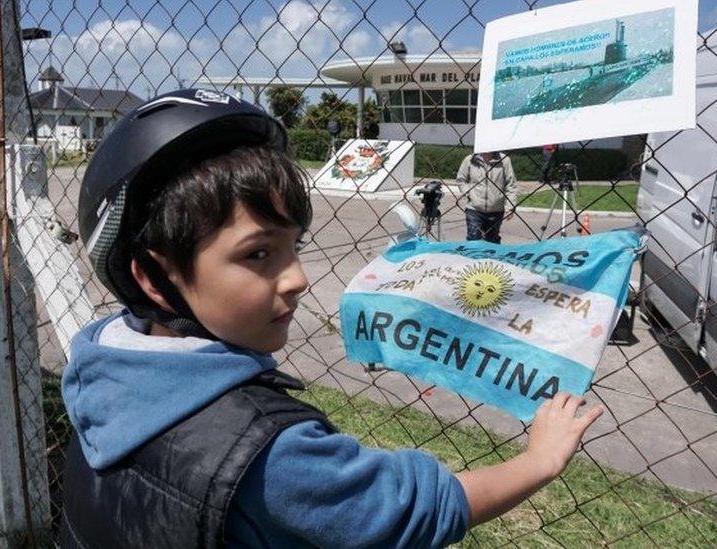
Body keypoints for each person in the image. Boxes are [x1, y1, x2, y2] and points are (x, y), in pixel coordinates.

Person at [61, 89, 603, 548]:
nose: (297, 278)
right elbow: (406, 511)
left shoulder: (99, 366)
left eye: (295, 247)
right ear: (155, 278)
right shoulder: (270, 454)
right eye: (257, 254)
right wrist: (539, 461)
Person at [457, 150, 518, 243]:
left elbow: (511, 185)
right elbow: (461, 180)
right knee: (473, 238)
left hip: (496, 209)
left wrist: (510, 206)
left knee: (492, 240)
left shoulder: (504, 160)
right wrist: (469, 193)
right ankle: (473, 257)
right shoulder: (469, 160)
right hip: (474, 208)